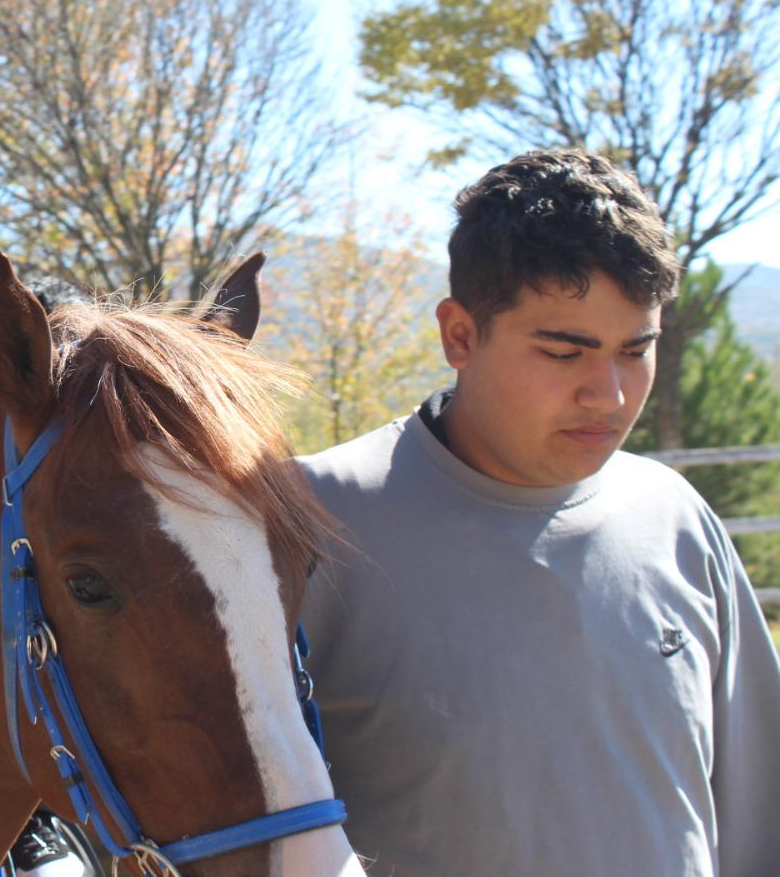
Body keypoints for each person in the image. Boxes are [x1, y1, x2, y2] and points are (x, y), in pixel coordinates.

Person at [298, 150, 780, 877]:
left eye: (636, 350)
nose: (610, 395)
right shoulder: (311, 522)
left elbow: (758, 816)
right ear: (459, 335)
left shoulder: (675, 516)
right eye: (564, 351)